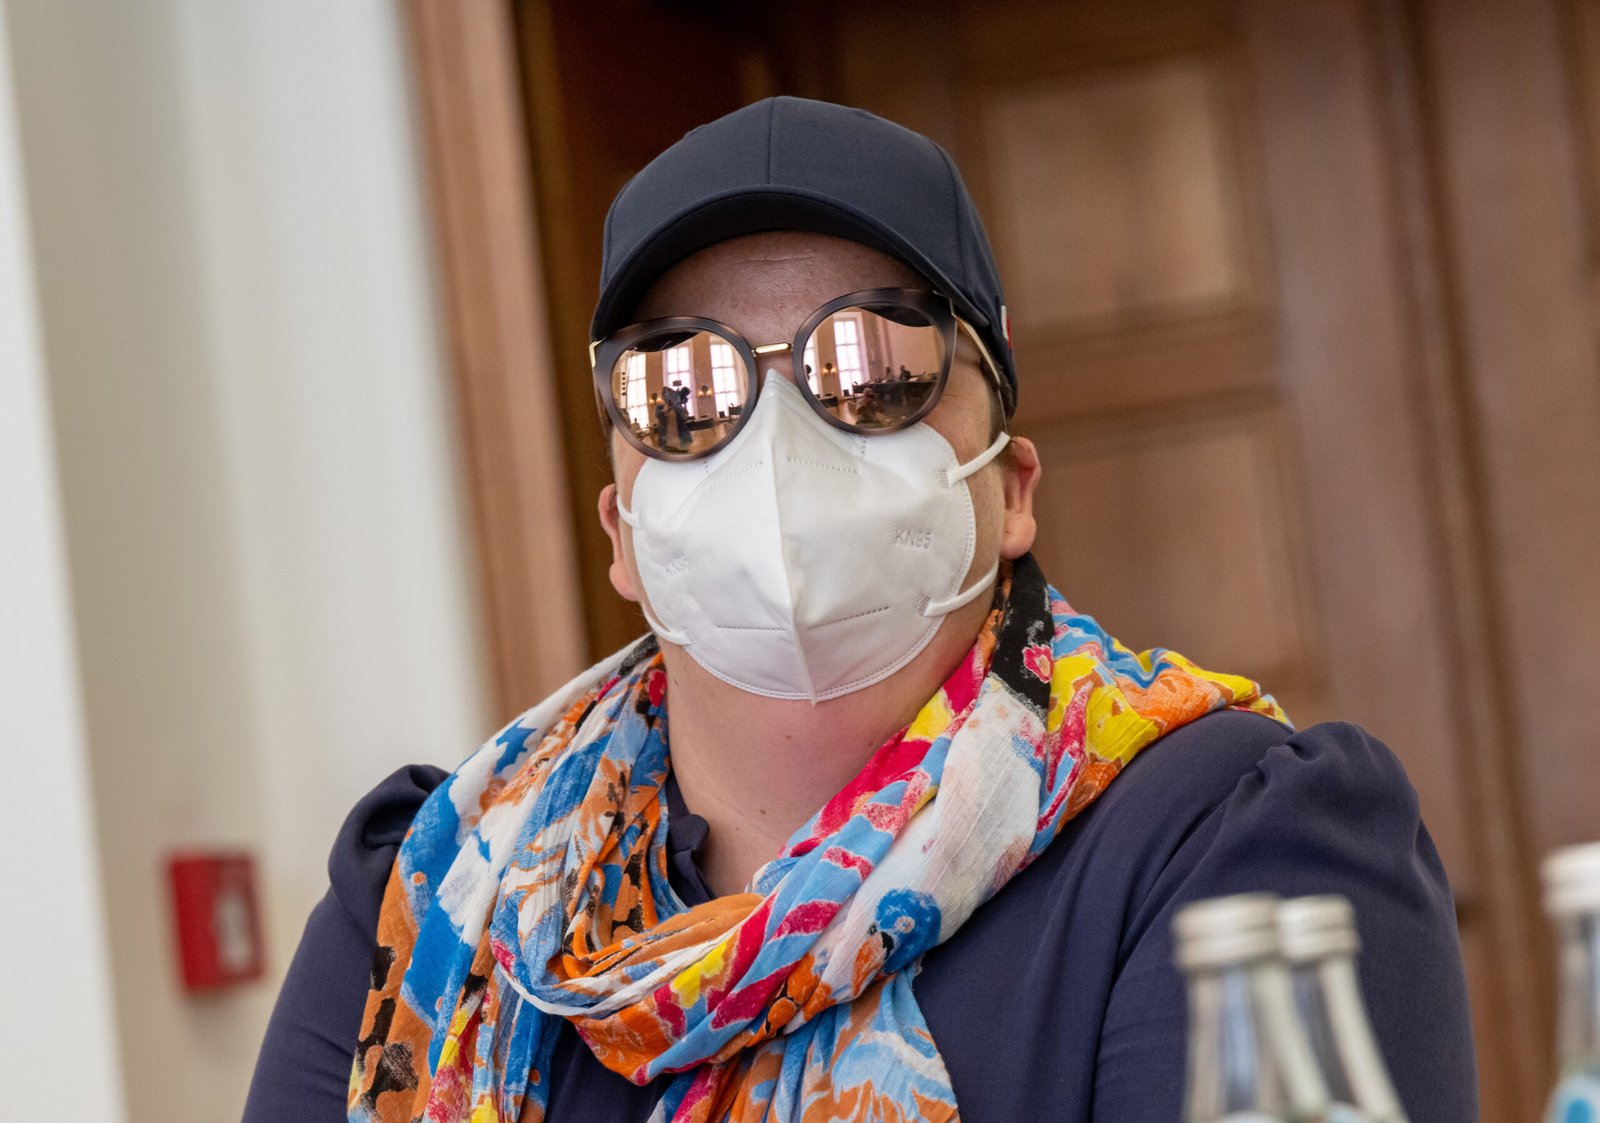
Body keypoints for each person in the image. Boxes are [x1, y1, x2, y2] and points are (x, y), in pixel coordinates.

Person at [245, 97, 1477, 1122]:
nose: (775, 446)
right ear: (621, 532)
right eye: (684, 391)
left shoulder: (1228, 842)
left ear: (1010, 488)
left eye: (872, 367)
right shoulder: (431, 899)